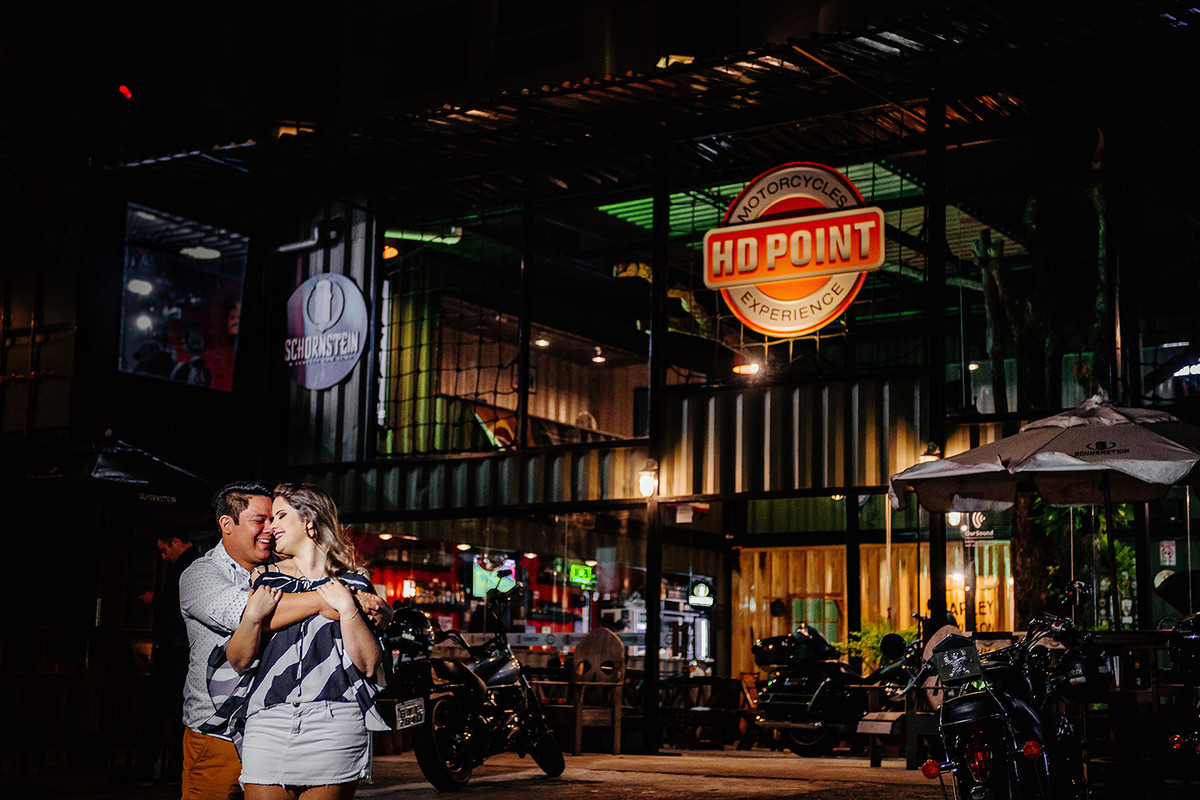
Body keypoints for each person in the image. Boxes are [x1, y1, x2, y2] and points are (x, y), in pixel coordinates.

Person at [179, 481, 391, 800]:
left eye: (276, 517)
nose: (270, 528)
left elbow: (370, 662)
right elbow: (245, 625)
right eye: (261, 519)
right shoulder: (207, 575)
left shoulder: (350, 582)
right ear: (227, 524)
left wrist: (364, 608)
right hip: (224, 726)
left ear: (309, 521)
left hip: (325, 722)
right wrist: (333, 601)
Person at [131, 534, 199, 784]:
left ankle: (165, 768)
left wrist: (155, 600)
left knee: (167, 707)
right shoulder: (191, 563)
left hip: (176, 649)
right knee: (171, 709)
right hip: (177, 648)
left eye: (164, 549)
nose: (163, 556)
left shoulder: (189, 565)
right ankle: (170, 768)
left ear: (176, 541)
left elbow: (179, 603)